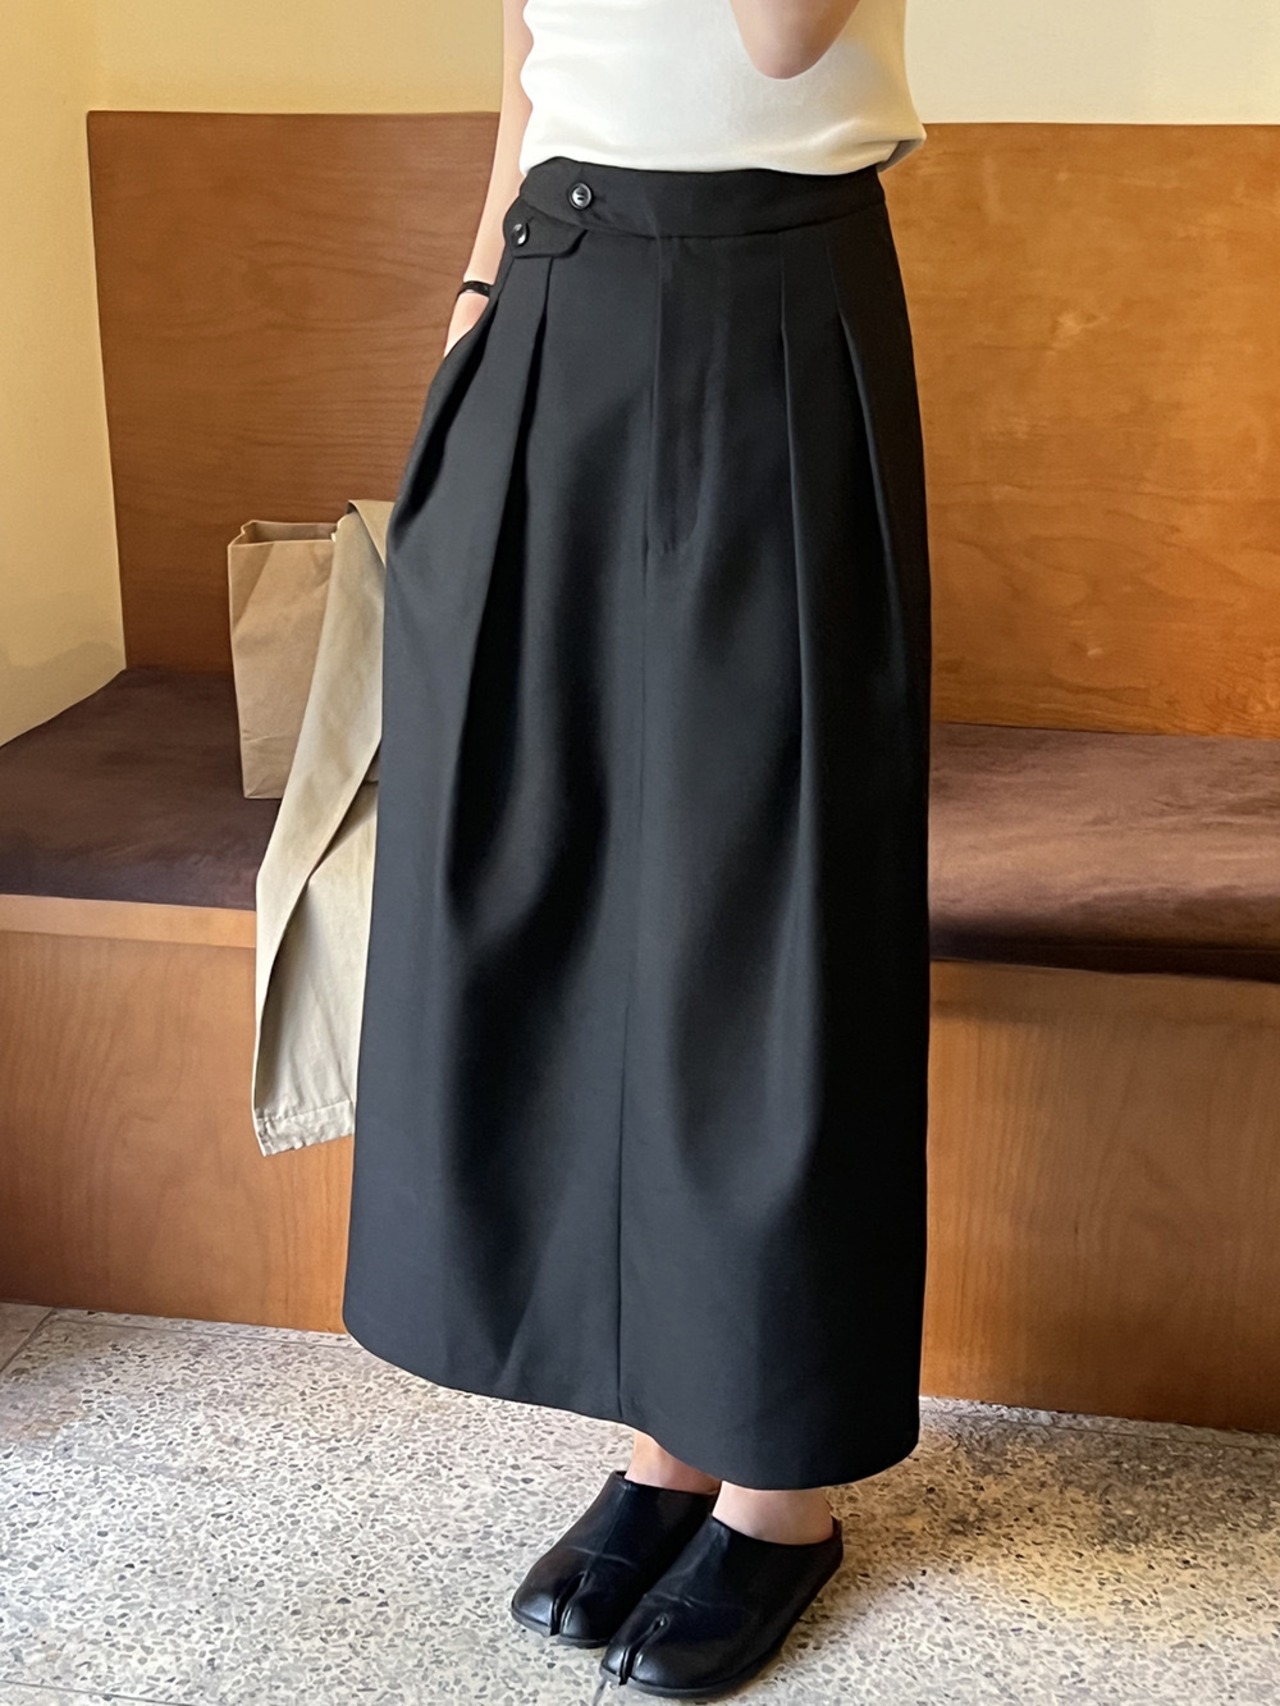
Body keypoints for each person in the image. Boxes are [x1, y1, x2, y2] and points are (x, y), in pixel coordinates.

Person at [341, 0, 932, 1696]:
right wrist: (474, 310)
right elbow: (531, 61)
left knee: (761, 894)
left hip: (771, 300)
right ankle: (669, 1440)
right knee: (567, 868)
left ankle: (779, 1485)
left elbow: (779, 40)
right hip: (553, 291)